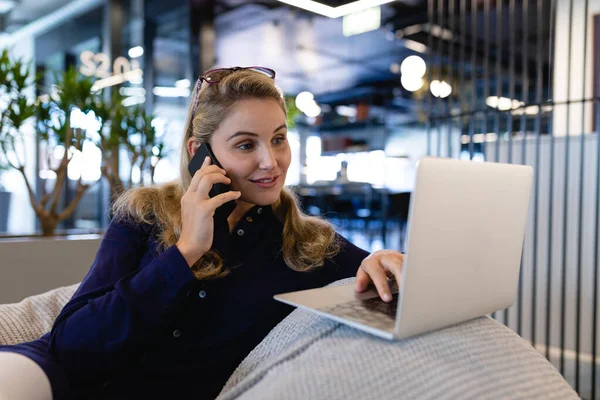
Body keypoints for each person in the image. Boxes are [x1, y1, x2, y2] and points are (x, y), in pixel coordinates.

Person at [0, 66, 404, 399]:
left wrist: (383, 261)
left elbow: (383, 281)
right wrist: (184, 253)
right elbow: (70, 344)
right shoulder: (144, 214)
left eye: (279, 139)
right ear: (200, 153)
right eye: (246, 145)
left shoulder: (310, 243)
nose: (272, 162)